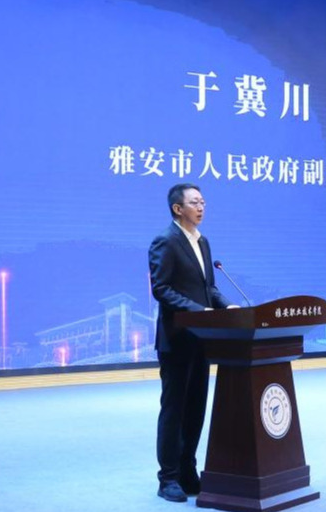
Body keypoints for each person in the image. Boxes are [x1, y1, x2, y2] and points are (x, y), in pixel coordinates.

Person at [148, 183, 232, 503]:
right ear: (177, 208)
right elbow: (162, 289)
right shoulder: (166, 241)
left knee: (196, 407)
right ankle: (167, 478)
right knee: (174, 409)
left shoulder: (203, 242)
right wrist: (200, 312)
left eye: (203, 202)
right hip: (177, 339)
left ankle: (187, 471)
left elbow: (209, 288)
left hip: (203, 340)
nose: (201, 207)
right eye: (195, 202)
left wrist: (226, 307)